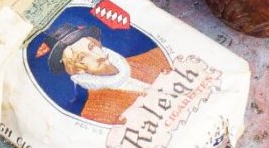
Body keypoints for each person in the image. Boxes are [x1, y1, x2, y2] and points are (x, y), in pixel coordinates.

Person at [41, 23, 171, 125]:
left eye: (92, 47)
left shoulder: (154, 56)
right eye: (82, 57)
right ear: (77, 69)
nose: (96, 55)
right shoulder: (95, 112)